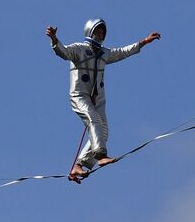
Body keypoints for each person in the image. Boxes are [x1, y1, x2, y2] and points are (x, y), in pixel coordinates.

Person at [46, 18, 161, 182]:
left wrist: (144, 42)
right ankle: (100, 156)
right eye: (97, 31)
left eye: (102, 32)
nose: (100, 34)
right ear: (90, 32)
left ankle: (79, 164)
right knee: (93, 119)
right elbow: (63, 52)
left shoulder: (104, 53)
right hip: (80, 95)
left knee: (104, 130)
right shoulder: (79, 49)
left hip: (98, 97)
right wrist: (54, 39)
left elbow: (123, 52)